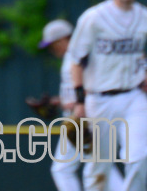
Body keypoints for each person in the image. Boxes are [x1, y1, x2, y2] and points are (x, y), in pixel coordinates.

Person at [68, 0, 147, 191]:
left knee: (139, 157)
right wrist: (79, 101)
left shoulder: (145, 16)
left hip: (134, 96)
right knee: (99, 166)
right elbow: (76, 61)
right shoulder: (93, 17)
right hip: (99, 99)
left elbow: (135, 49)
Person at [38, 19, 123, 191]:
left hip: (85, 117)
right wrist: (58, 101)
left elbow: (92, 87)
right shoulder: (74, 55)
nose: (52, 49)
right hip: (83, 115)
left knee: (66, 169)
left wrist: (72, 104)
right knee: (95, 164)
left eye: (52, 45)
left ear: (63, 39)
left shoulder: (77, 56)